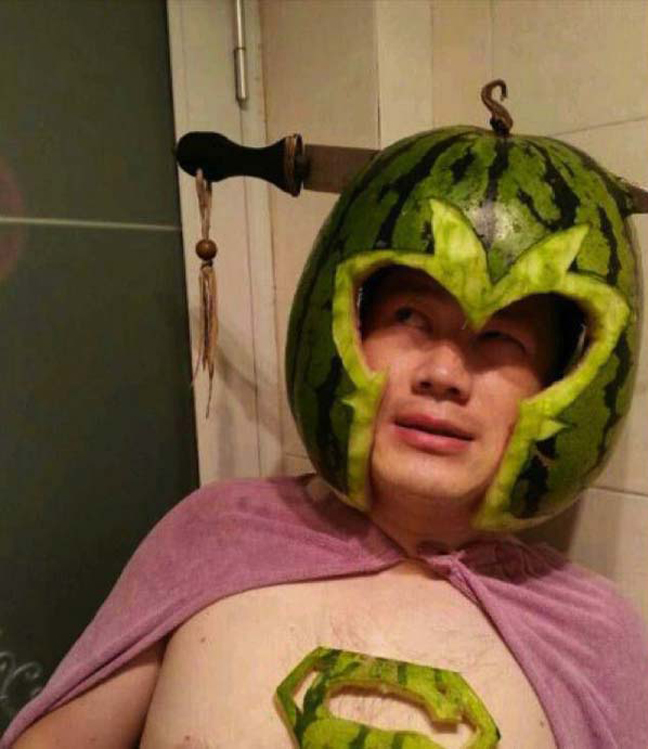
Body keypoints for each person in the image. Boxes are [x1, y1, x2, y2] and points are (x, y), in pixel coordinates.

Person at [4, 124, 648, 748]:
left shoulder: (596, 636)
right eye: (410, 318)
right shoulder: (214, 534)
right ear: (345, 328)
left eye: (503, 338)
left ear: (563, 385)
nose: (445, 374)